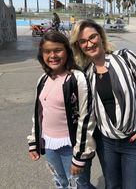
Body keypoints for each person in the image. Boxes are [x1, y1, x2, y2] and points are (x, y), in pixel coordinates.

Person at [70, 19, 136, 189]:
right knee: (112, 186)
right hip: (107, 144)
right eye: (83, 41)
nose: (89, 44)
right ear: (79, 46)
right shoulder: (86, 73)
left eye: (92, 37)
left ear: (101, 36)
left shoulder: (125, 57)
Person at [27, 31, 96, 189]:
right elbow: (38, 114)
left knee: (78, 186)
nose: (53, 55)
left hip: (71, 147)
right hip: (50, 144)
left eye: (58, 50)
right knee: (61, 183)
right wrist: (34, 140)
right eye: (47, 51)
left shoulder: (77, 78)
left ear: (67, 51)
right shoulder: (43, 79)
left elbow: (87, 118)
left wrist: (80, 155)